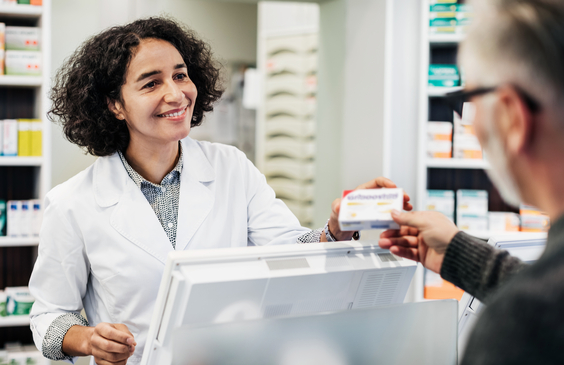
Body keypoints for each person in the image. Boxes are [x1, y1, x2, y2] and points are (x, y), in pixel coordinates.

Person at [28, 17, 412, 365]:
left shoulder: (232, 167)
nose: (176, 94)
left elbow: (288, 251)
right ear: (115, 105)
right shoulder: (72, 203)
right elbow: (48, 317)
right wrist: (89, 339)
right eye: (152, 83)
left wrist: (336, 229)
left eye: (180, 76)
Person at [379, 0, 564, 364]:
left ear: (512, 116)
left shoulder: (522, 325)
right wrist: (459, 253)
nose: (469, 124)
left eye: (470, 100)